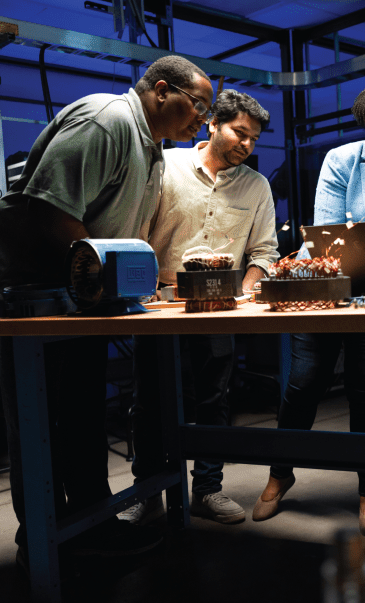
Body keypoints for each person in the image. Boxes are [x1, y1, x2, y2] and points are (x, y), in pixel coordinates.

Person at [0, 55, 214, 563]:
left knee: (79, 414)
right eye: (199, 105)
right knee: (40, 421)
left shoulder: (153, 149)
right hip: (33, 294)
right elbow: (50, 209)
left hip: (80, 295)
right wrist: (107, 276)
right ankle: (40, 544)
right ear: (162, 90)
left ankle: (90, 525)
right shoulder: (108, 121)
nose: (202, 120)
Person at [252, 79, 365, 537]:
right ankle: (280, 474)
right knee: (303, 385)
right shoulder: (342, 161)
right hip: (329, 296)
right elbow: (330, 237)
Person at [122, 89, 278, 526]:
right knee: (149, 400)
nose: (246, 145)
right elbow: (137, 230)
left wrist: (246, 294)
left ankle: (206, 489)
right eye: (239, 133)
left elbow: (264, 251)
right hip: (159, 306)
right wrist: (143, 288)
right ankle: (149, 489)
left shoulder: (256, 186)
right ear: (213, 124)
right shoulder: (165, 166)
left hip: (220, 306)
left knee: (214, 398)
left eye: (253, 139)